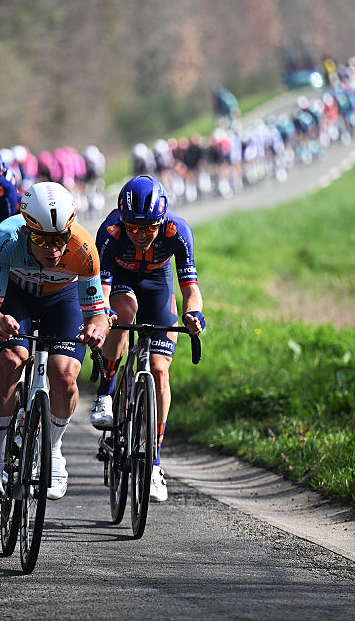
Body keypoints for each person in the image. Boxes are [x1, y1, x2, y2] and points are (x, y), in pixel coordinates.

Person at [0, 182, 110, 502]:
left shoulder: (83, 248)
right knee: (9, 361)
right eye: (41, 240)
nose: (53, 250)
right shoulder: (6, 238)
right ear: (26, 230)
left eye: (60, 239)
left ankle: (54, 451)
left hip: (62, 302)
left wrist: (97, 330)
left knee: (63, 374)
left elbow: (97, 314)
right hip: (17, 299)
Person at [90, 175, 205, 503]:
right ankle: (106, 392)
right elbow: (104, 290)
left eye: (149, 228)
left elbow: (191, 289)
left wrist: (193, 315)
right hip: (121, 283)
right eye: (134, 228)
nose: (141, 235)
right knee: (124, 312)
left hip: (157, 283)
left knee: (158, 370)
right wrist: (103, 317)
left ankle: (154, 463)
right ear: (122, 220)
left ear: (162, 220)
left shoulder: (176, 231)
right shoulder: (110, 232)